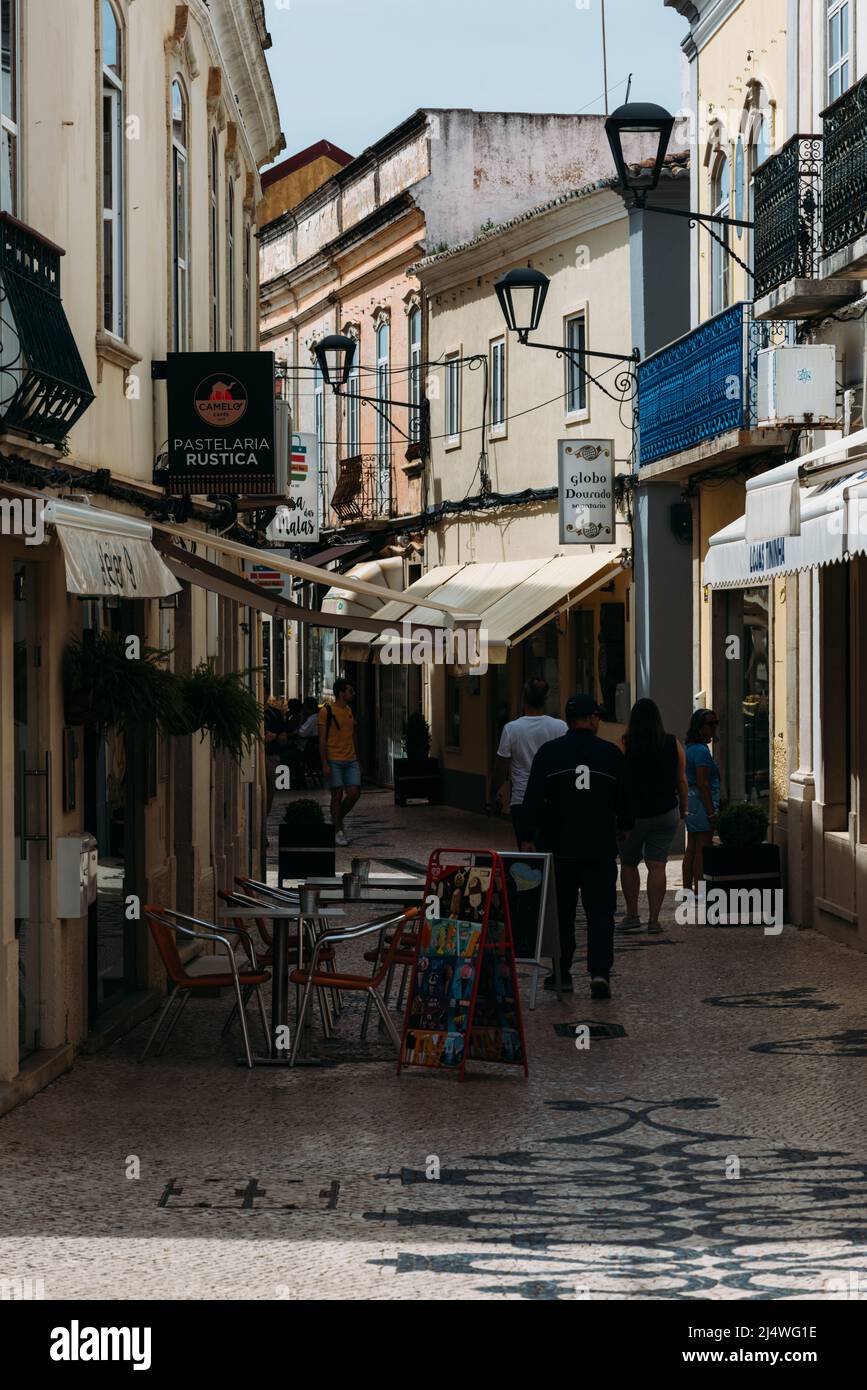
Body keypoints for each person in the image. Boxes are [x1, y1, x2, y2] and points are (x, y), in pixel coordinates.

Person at [522, 693, 634, 998]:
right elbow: (624, 798)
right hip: (598, 848)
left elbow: (531, 799)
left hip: (559, 849)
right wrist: (624, 826)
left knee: (562, 913)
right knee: (601, 912)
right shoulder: (610, 754)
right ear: (593, 719)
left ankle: (562, 973)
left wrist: (528, 836)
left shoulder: (548, 753)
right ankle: (600, 973)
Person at [619, 698, 688, 933]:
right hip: (665, 812)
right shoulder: (672, 742)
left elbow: (619, 781)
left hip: (633, 816)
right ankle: (654, 920)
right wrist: (685, 808)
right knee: (657, 866)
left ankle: (632, 914)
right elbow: (681, 779)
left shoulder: (624, 744)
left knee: (628, 864)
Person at [495, 678, 567, 846]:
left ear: (524, 698)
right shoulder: (560, 727)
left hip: (522, 800)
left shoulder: (511, 729)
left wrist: (493, 793)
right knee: (552, 850)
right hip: (553, 800)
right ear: (546, 700)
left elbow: (501, 768)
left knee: (527, 856)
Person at [682, 708, 721, 892]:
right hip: (701, 802)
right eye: (710, 724)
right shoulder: (701, 752)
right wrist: (711, 812)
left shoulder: (689, 748)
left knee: (692, 846)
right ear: (700, 728)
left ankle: (688, 889)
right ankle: (699, 890)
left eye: (716, 723)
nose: (714, 728)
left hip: (691, 801)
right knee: (702, 848)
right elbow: (703, 783)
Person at [318, 677, 361, 846]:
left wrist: (358, 758)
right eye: (350, 691)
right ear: (341, 693)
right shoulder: (326, 711)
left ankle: (337, 819)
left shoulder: (349, 710)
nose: (353, 693)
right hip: (334, 759)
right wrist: (324, 763)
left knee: (354, 794)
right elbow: (321, 739)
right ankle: (338, 831)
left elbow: (353, 735)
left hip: (350, 760)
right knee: (337, 795)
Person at [263, 691, 286, 817]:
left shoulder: (275, 713)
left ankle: (265, 817)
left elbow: (283, 736)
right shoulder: (251, 712)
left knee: (270, 787)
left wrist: (275, 736)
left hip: (271, 754)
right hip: (259, 754)